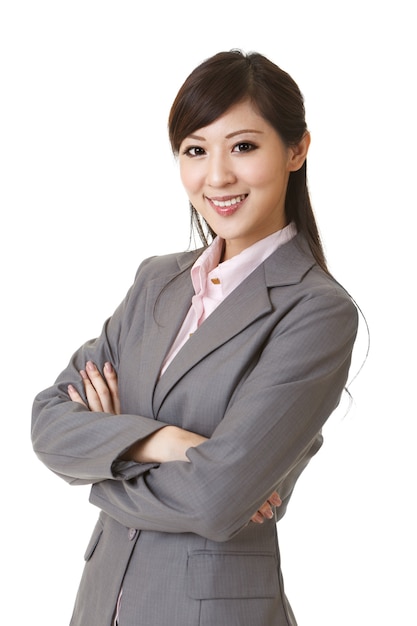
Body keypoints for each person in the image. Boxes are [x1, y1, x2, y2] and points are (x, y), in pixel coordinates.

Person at [31, 49, 359, 626]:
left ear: (297, 149)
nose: (217, 177)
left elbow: (216, 499)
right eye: (195, 150)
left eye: (244, 146)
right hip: (101, 605)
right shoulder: (157, 281)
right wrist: (172, 443)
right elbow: (49, 422)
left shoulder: (316, 312)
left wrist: (105, 455)